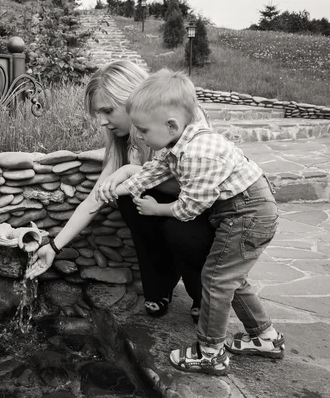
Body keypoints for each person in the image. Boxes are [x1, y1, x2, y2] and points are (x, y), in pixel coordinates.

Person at [96, 68, 285, 375]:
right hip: (241, 213)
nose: (139, 136)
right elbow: (150, 174)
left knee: (216, 279)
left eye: (143, 130)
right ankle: (266, 337)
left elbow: (189, 207)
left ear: (170, 124)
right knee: (232, 279)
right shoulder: (176, 143)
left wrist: (157, 209)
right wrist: (114, 190)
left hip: (248, 214)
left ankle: (210, 352)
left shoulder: (198, 152)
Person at [25, 60, 215, 323]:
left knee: (178, 231)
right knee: (128, 199)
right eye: (98, 113)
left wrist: (128, 173)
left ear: (132, 99)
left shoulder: (182, 121)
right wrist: (54, 247)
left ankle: (202, 294)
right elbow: (97, 197)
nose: (102, 122)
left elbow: (194, 185)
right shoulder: (123, 140)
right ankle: (160, 288)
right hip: (160, 207)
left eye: (107, 111)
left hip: (197, 207)